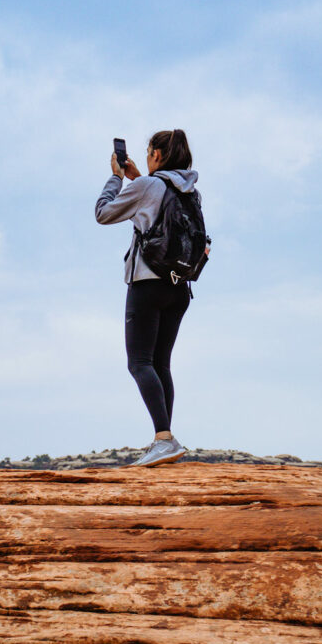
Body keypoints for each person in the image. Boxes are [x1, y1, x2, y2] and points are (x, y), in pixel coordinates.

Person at [95, 129, 203, 468]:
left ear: (157, 155)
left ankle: (163, 439)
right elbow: (157, 205)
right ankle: (164, 441)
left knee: (139, 363)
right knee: (161, 365)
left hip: (147, 284)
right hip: (179, 287)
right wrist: (138, 179)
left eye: (148, 151)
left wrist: (116, 178)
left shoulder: (147, 187)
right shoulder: (190, 192)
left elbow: (104, 212)